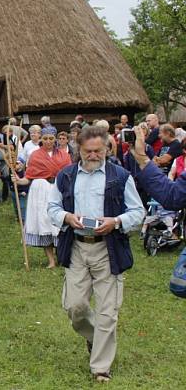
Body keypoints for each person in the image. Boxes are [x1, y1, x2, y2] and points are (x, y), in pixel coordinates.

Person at [47, 126, 144, 382]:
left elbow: (138, 212)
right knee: (74, 307)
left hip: (108, 248)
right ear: (79, 150)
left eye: (98, 151)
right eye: (88, 151)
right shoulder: (66, 176)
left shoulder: (120, 177)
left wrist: (117, 221)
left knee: (107, 311)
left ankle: (100, 367)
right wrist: (66, 216)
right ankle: (94, 337)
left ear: (106, 149)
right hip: (77, 246)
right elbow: (52, 207)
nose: (93, 156)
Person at [13, 128, 70, 268]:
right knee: (44, 222)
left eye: (51, 138)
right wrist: (18, 180)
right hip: (40, 190)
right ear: (41, 139)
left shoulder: (64, 155)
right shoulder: (35, 155)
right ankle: (51, 260)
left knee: (58, 222)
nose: (48, 141)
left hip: (58, 189)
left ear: (55, 139)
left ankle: (61, 256)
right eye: (45, 139)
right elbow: (28, 178)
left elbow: (70, 175)